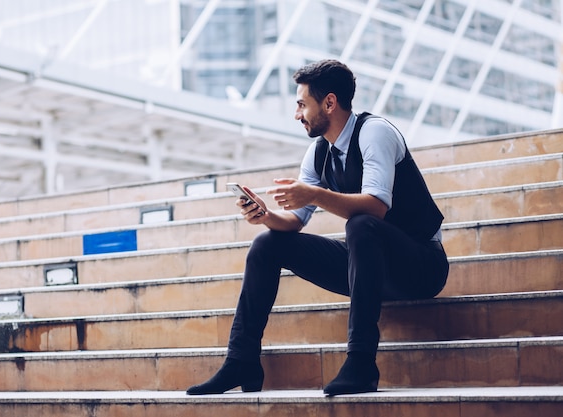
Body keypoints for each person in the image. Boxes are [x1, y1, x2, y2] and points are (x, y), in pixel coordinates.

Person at [186, 59, 449, 396]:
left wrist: (314, 193)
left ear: (329, 102)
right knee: (267, 244)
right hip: (370, 269)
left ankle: (361, 363)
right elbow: (294, 222)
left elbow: (376, 207)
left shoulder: (375, 132)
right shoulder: (317, 152)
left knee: (361, 225)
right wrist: (264, 215)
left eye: (301, 104)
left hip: (421, 266)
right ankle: (242, 360)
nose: (297, 115)